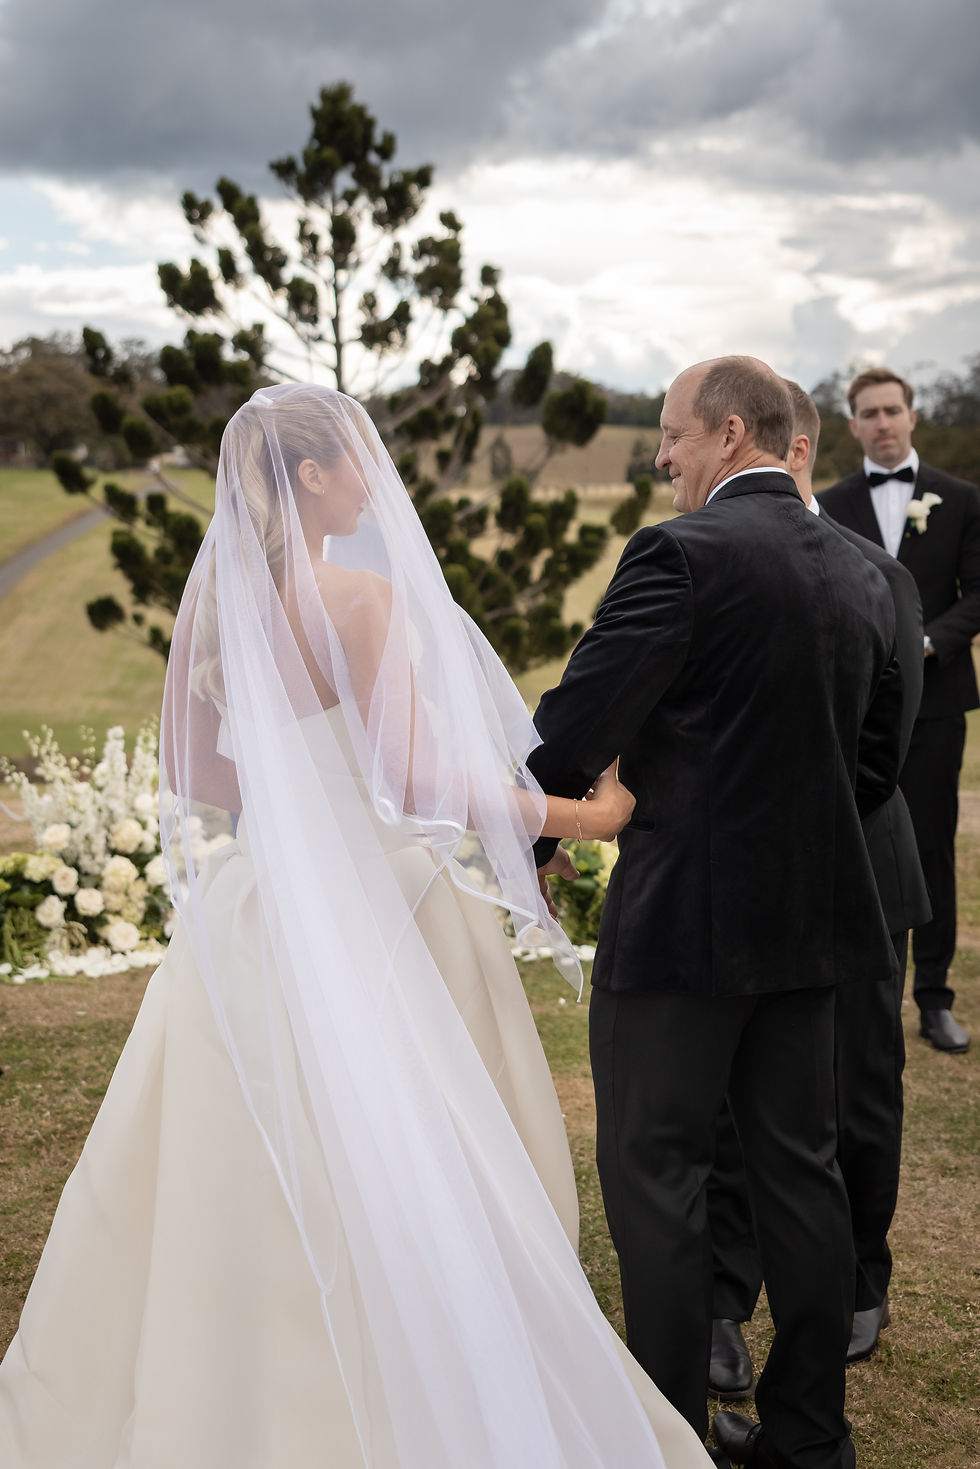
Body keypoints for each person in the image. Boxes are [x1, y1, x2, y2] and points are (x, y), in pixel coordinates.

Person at [0, 385, 710, 1469]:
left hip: (257, 904)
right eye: (358, 461)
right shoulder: (360, 600)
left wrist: (296, 805)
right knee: (433, 1147)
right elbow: (413, 779)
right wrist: (588, 816)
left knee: (229, 1148)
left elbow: (196, 773)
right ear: (313, 474)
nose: (376, 484)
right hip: (383, 904)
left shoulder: (214, 608)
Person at [527, 357, 903, 1469]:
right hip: (812, 927)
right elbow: (874, 764)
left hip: (680, 932)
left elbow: (578, 719)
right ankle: (809, 1436)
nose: (661, 458)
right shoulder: (863, 570)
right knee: (801, 1172)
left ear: (730, 432)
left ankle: (668, 1438)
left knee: (656, 1175)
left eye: (671, 436)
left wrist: (537, 834)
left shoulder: (677, 553)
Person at [706, 382, 931, 1407]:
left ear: (793, 450)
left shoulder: (882, 577)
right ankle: (721, 1297)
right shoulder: (704, 561)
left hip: (859, 868)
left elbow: (885, 751)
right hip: (741, 874)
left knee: (857, 1085)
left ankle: (857, 1280)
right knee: (726, 1091)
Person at [819, 368, 980, 1054]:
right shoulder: (828, 503)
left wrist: (925, 644)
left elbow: (978, 594)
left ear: (912, 416)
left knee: (933, 846)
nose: (882, 422)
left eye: (892, 410)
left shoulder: (962, 499)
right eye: (869, 412)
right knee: (850, 843)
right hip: (851, 711)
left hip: (937, 704)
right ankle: (849, 987)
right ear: (853, 424)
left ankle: (934, 998)